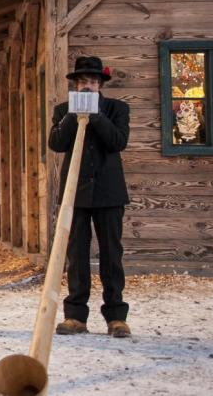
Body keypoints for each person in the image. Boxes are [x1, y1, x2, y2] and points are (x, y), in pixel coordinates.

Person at [48, 55, 131, 339]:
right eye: (83, 82)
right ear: (75, 85)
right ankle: (75, 316)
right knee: (76, 255)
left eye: (93, 82)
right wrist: (75, 114)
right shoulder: (63, 110)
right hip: (76, 193)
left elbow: (118, 141)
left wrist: (95, 115)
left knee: (111, 255)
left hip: (109, 192)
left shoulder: (116, 109)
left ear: (100, 84)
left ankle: (116, 317)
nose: (87, 87)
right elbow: (56, 143)